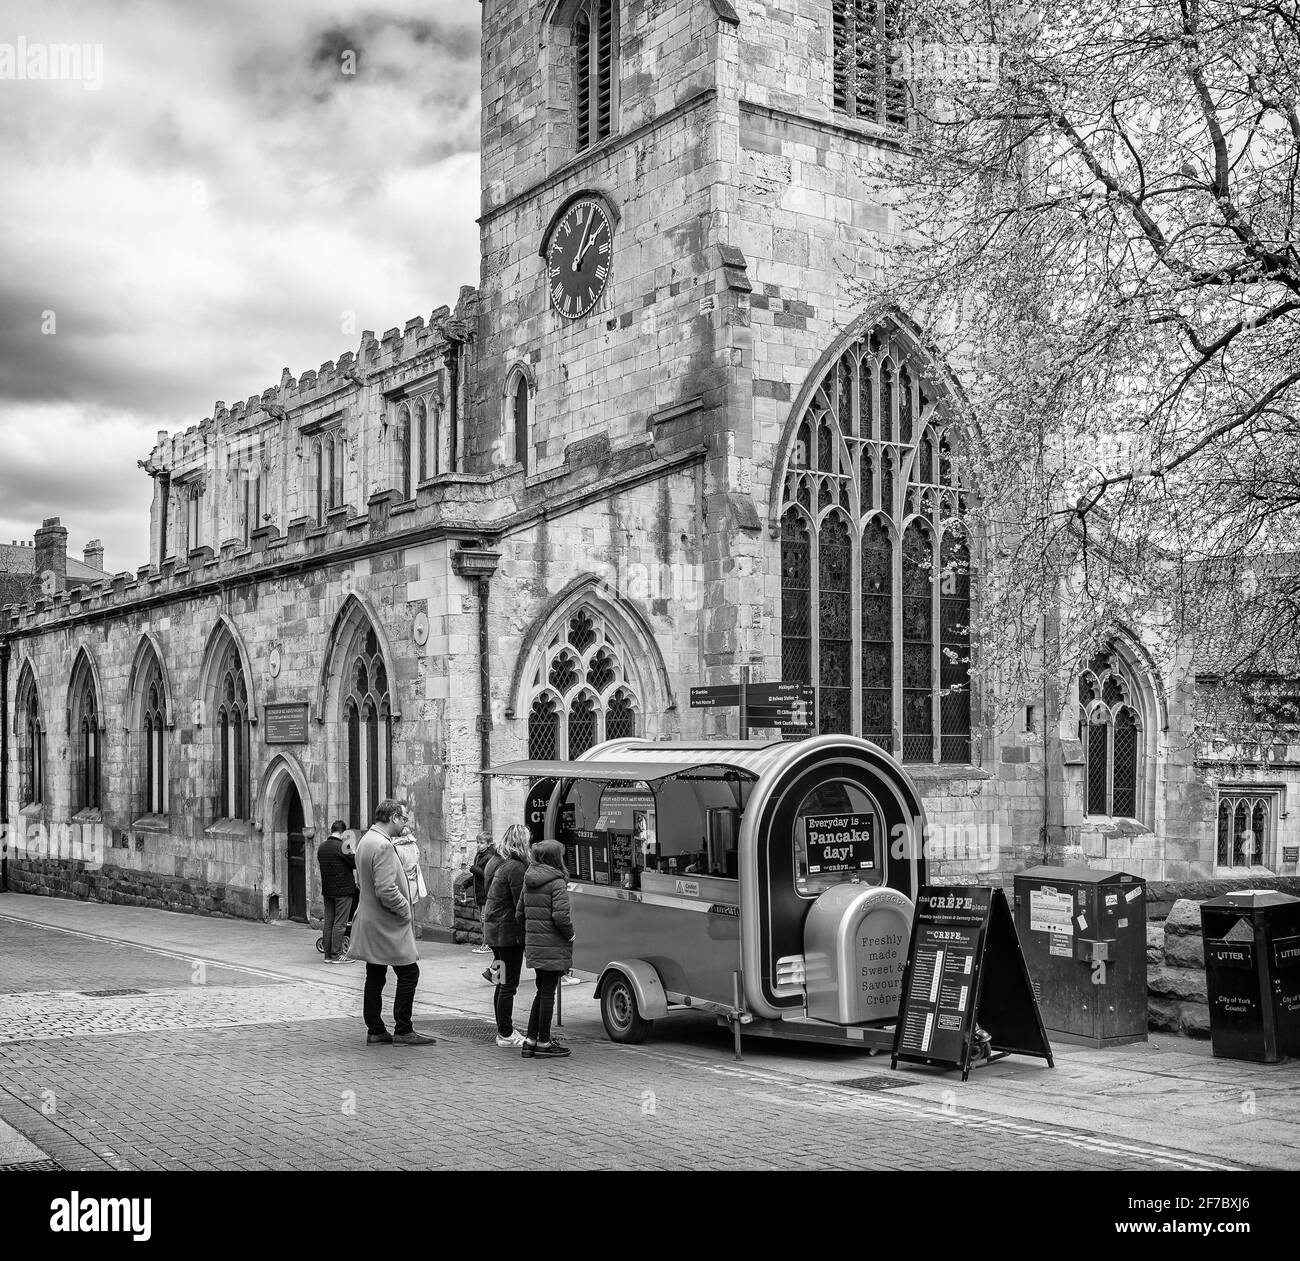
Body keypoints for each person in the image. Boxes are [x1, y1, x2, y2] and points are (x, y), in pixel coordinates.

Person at [349, 800, 436, 1047]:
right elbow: (386, 889)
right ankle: (403, 1028)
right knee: (409, 972)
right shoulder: (383, 845)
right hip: (386, 922)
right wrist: (404, 911)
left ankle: (375, 1028)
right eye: (404, 819)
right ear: (395, 817)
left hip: (370, 919)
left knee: (375, 974)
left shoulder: (366, 840)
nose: (405, 823)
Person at [515, 839, 574, 1058]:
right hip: (553, 946)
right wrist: (571, 934)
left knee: (542, 991)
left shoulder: (528, 879)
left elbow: (519, 914)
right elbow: (561, 916)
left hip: (535, 945)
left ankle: (530, 1040)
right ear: (555, 858)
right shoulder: (556, 882)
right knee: (548, 993)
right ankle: (543, 1042)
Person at [483, 823, 530, 1047]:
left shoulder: (500, 863)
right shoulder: (515, 868)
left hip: (496, 932)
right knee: (508, 984)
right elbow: (520, 903)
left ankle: (504, 1028)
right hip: (507, 934)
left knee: (501, 983)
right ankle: (505, 1032)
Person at [317, 818, 358, 964]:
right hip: (343, 891)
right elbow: (355, 862)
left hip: (328, 891)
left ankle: (328, 955)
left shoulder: (322, 847)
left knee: (329, 922)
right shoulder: (343, 846)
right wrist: (351, 848)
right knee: (340, 924)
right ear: (342, 832)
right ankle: (337, 955)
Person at [469, 834, 495, 954]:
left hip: (485, 893)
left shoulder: (489, 856)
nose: (478, 845)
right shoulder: (480, 855)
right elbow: (476, 877)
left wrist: (474, 869)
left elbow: (487, 874)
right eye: (477, 842)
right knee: (482, 919)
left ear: (489, 843)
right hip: (480, 892)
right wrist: (466, 883)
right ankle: (485, 942)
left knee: (485, 919)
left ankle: (488, 944)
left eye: (481, 842)